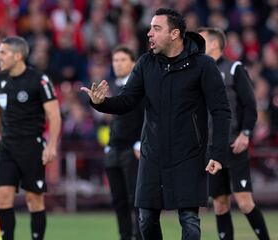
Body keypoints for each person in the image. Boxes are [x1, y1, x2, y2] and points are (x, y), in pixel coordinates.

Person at [81, 8, 231, 240]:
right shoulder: (145, 63)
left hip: (189, 154)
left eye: (156, 28)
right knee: (146, 219)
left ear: (175, 34)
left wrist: (218, 152)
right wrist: (101, 103)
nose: (149, 33)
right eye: (150, 27)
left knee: (189, 220)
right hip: (152, 154)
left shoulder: (203, 65)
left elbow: (221, 111)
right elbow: (127, 100)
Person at [198, 27, 270, 240]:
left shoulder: (234, 68)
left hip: (233, 145)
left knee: (245, 202)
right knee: (220, 204)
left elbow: (250, 105)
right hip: (211, 147)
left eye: (201, 40)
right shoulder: (198, 71)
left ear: (213, 43)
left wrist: (245, 133)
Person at [0, 36, 61, 240]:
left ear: (17, 55)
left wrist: (51, 146)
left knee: (34, 200)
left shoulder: (39, 80)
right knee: (2, 198)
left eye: (3, 52)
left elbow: (54, 115)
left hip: (32, 146)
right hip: (7, 147)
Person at [104, 45, 144, 240]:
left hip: (132, 150)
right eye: (115, 60)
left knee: (135, 200)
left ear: (133, 63)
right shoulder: (114, 86)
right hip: (114, 151)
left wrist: (140, 143)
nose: (118, 64)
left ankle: (138, 236)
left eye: (122, 60)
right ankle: (125, 236)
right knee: (118, 201)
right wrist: (108, 145)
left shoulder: (139, 88)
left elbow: (147, 117)